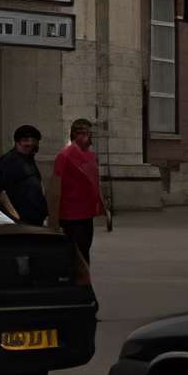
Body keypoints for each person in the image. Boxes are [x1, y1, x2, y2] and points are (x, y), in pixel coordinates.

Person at [49, 117, 104, 278]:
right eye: (81, 133)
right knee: (74, 253)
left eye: (88, 133)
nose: (86, 137)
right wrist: (54, 220)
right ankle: (75, 281)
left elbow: (95, 182)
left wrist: (103, 208)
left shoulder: (91, 156)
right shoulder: (64, 156)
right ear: (74, 134)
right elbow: (55, 188)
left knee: (84, 250)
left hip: (86, 214)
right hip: (70, 215)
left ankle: (83, 279)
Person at [0, 124, 47, 225]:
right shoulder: (8, 160)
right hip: (21, 221)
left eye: (33, 142)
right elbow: (0, 191)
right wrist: (15, 216)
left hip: (35, 219)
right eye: (26, 141)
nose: (30, 145)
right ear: (18, 141)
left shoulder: (28, 159)